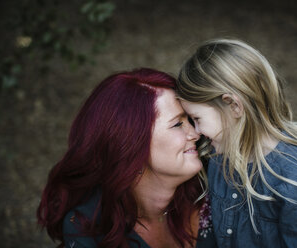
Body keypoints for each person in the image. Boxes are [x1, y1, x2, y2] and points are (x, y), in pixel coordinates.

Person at [176, 39, 297, 247]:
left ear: (234, 106)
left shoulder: (295, 181)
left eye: (197, 119)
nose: (196, 132)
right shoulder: (217, 156)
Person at [37, 68, 217, 248]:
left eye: (191, 119)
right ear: (131, 145)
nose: (195, 133)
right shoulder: (90, 228)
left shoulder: (217, 185)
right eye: (178, 124)